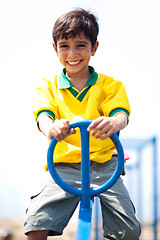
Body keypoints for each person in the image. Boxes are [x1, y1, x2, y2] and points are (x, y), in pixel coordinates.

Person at [24, 8, 141, 240]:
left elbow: (121, 114)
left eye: (80, 45)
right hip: (65, 165)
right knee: (36, 222)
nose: (72, 53)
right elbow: (43, 117)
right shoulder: (48, 86)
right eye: (65, 45)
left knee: (128, 229)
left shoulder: (110, 85)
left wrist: (114, 122)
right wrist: (51, 128)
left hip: (105, 165)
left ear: (93, 48)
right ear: (55, 48)